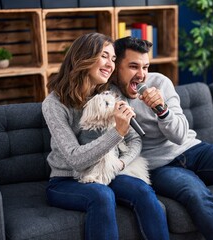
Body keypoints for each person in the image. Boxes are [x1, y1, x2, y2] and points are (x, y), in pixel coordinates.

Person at [110, 36, 213, 240]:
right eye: (133, 66)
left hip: (192, 149)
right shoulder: (109, 97)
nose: (141, 75)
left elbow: (179, 136)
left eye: (145, 67)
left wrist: (162, 111)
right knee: (198, 195)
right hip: (159, 166)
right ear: (116, 67)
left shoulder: (160, 83)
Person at [42, 33, 169, 240]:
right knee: (101, 195)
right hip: (65, 180)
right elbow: (75, 159)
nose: (110, 64)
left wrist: (121, 164)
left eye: (113, 59)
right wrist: (117, 132)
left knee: (142, 192)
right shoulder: (54, 104)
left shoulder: (111, 93)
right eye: (104, 56)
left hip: (109, 173)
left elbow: (135, 140)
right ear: (84, 57)